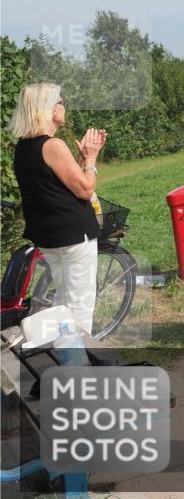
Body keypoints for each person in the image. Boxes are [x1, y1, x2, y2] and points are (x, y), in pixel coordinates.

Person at [8, 84, 106, 335]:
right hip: (73, 236)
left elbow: (55, 185)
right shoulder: (53, 146)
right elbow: (84, 189)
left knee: (63, 301)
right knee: (80, 307)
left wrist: (81, 159)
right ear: (51, 109)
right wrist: (92, 159)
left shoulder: (24, 147)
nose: (64, 106)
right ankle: (75, 356)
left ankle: (59, 349)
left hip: (49, 238)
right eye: (61, 102)